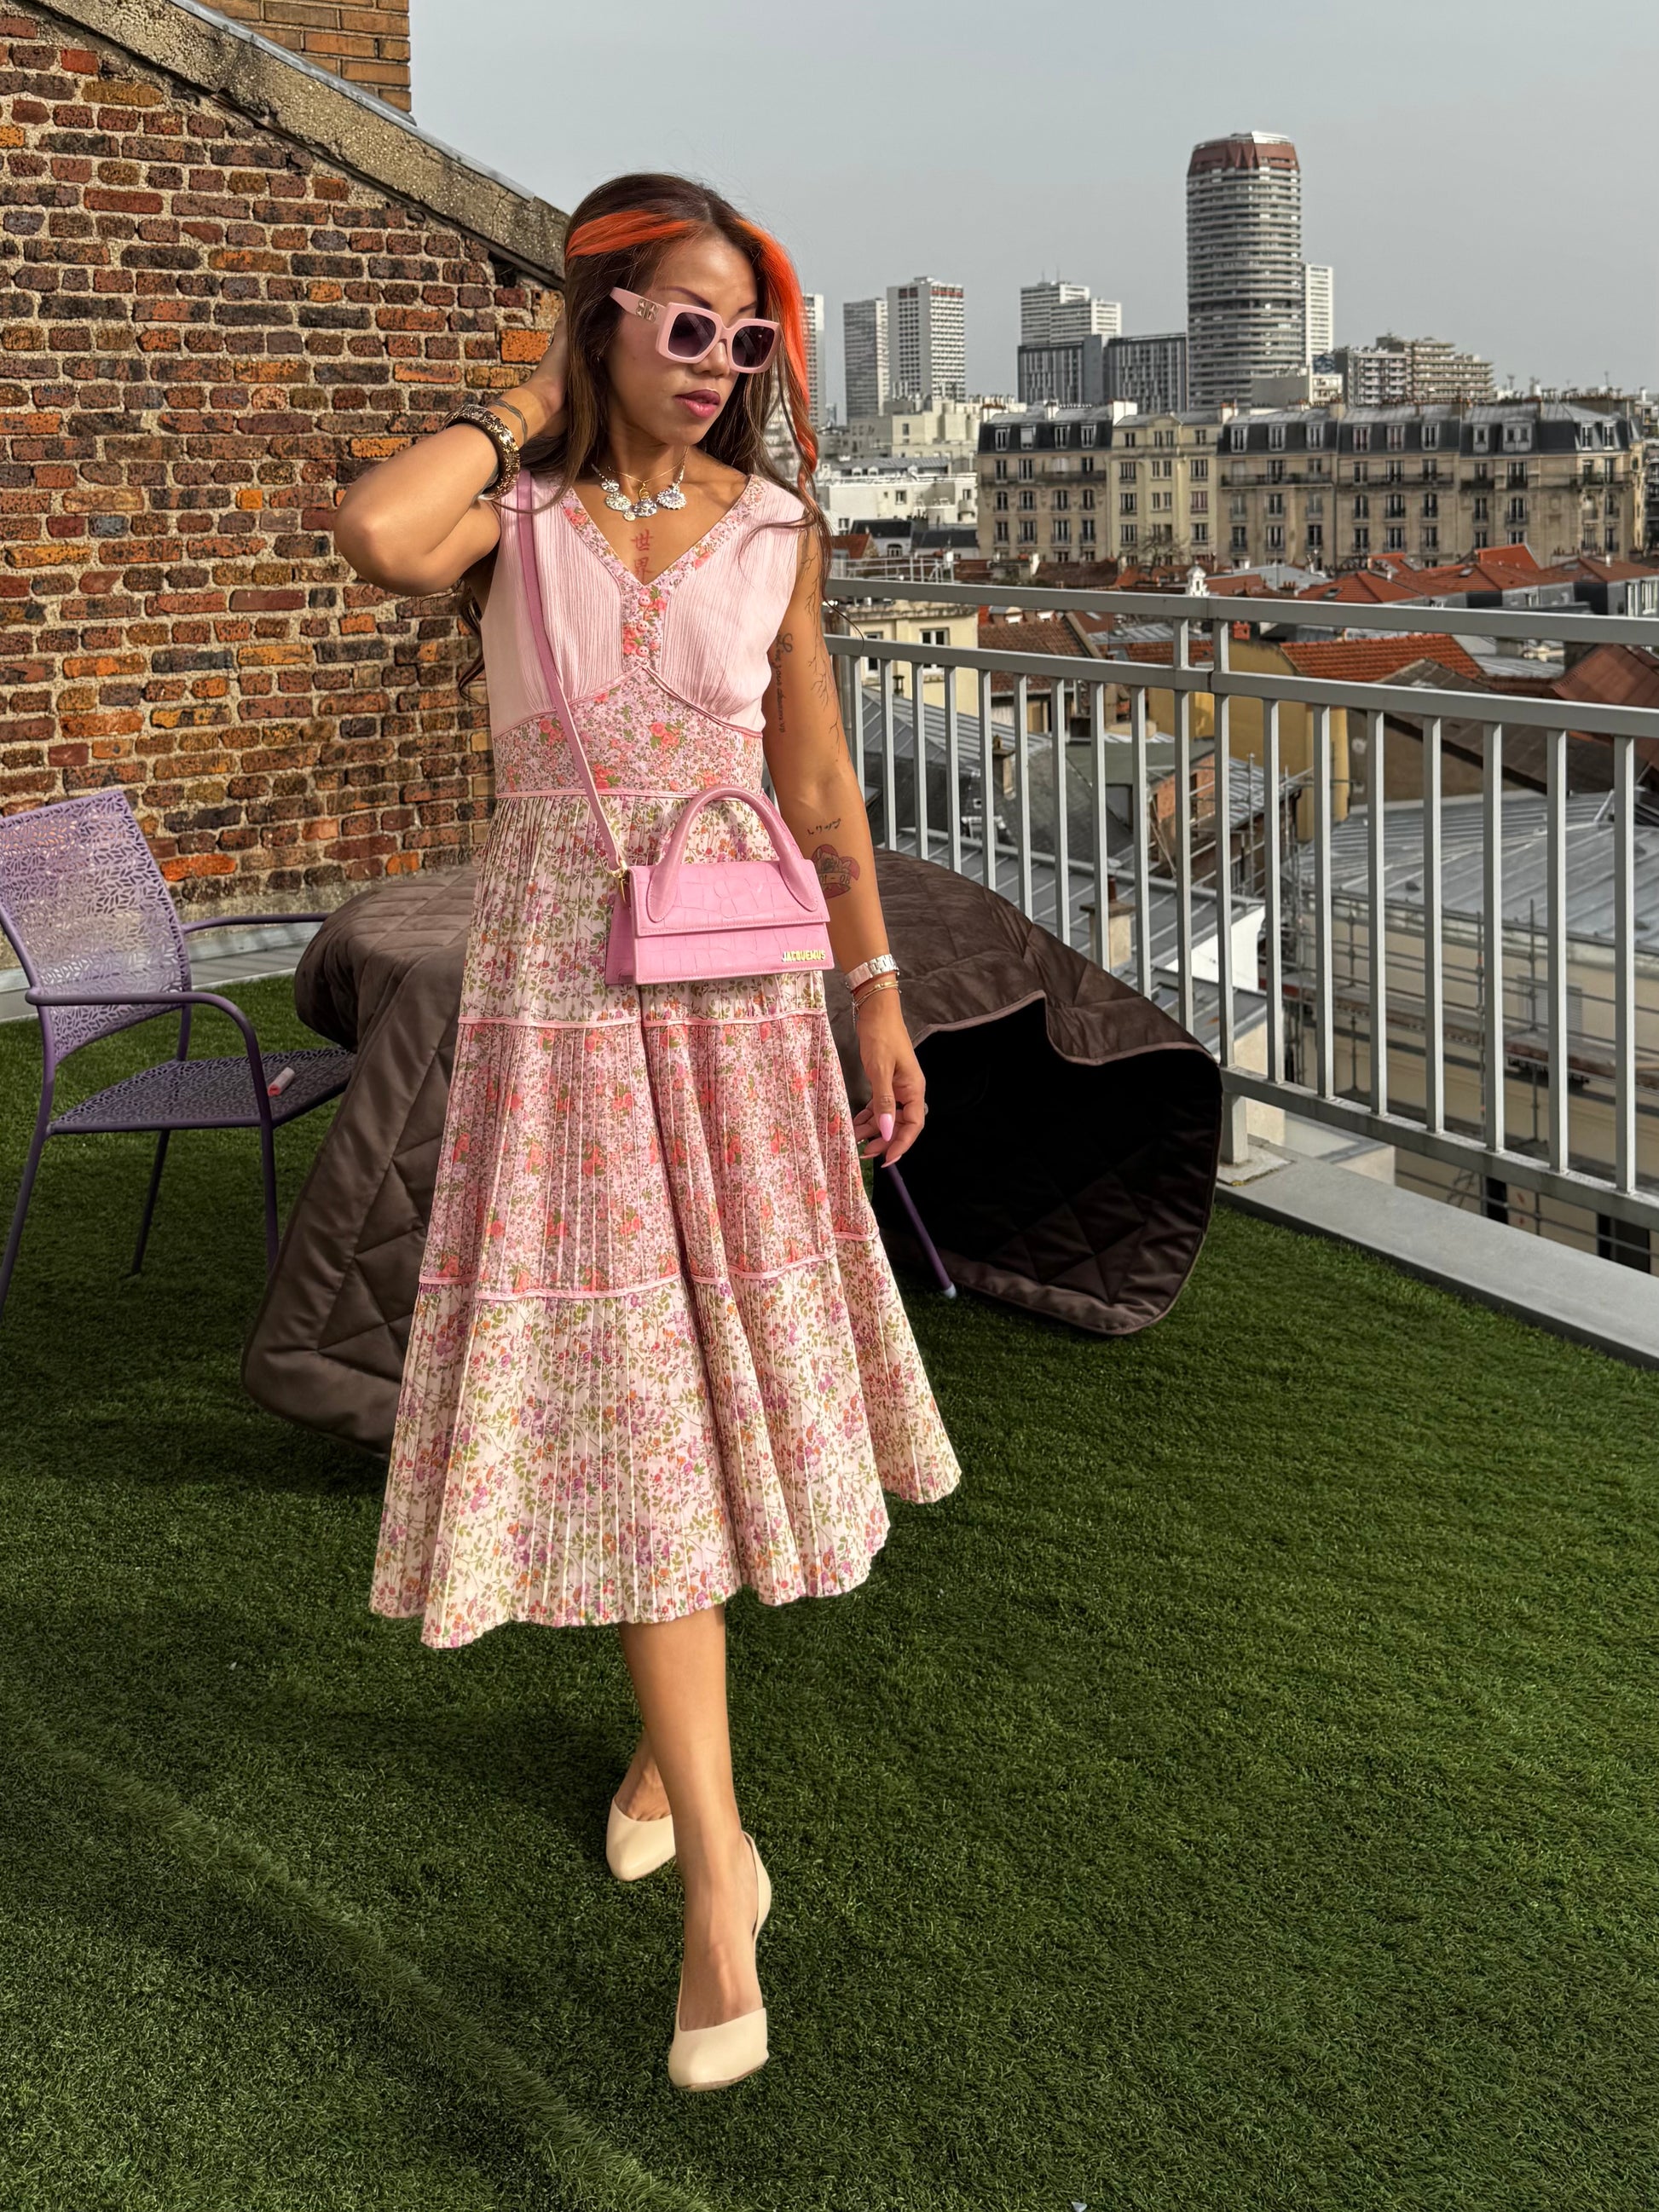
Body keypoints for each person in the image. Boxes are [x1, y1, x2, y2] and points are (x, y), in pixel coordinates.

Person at [332, 171, 960, 2091]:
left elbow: (818, 779)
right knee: (628, 1393)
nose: (718, 363)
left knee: (710, 1380)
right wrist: (528, 405)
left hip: (742, 995)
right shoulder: (510, 519)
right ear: (602, 313)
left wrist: (874, 989)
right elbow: (375, 528)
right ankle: (720, 1882)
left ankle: (672, 1783)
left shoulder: (774, 530)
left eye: (746, 337)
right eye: (684, 321)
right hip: (560, 1000)